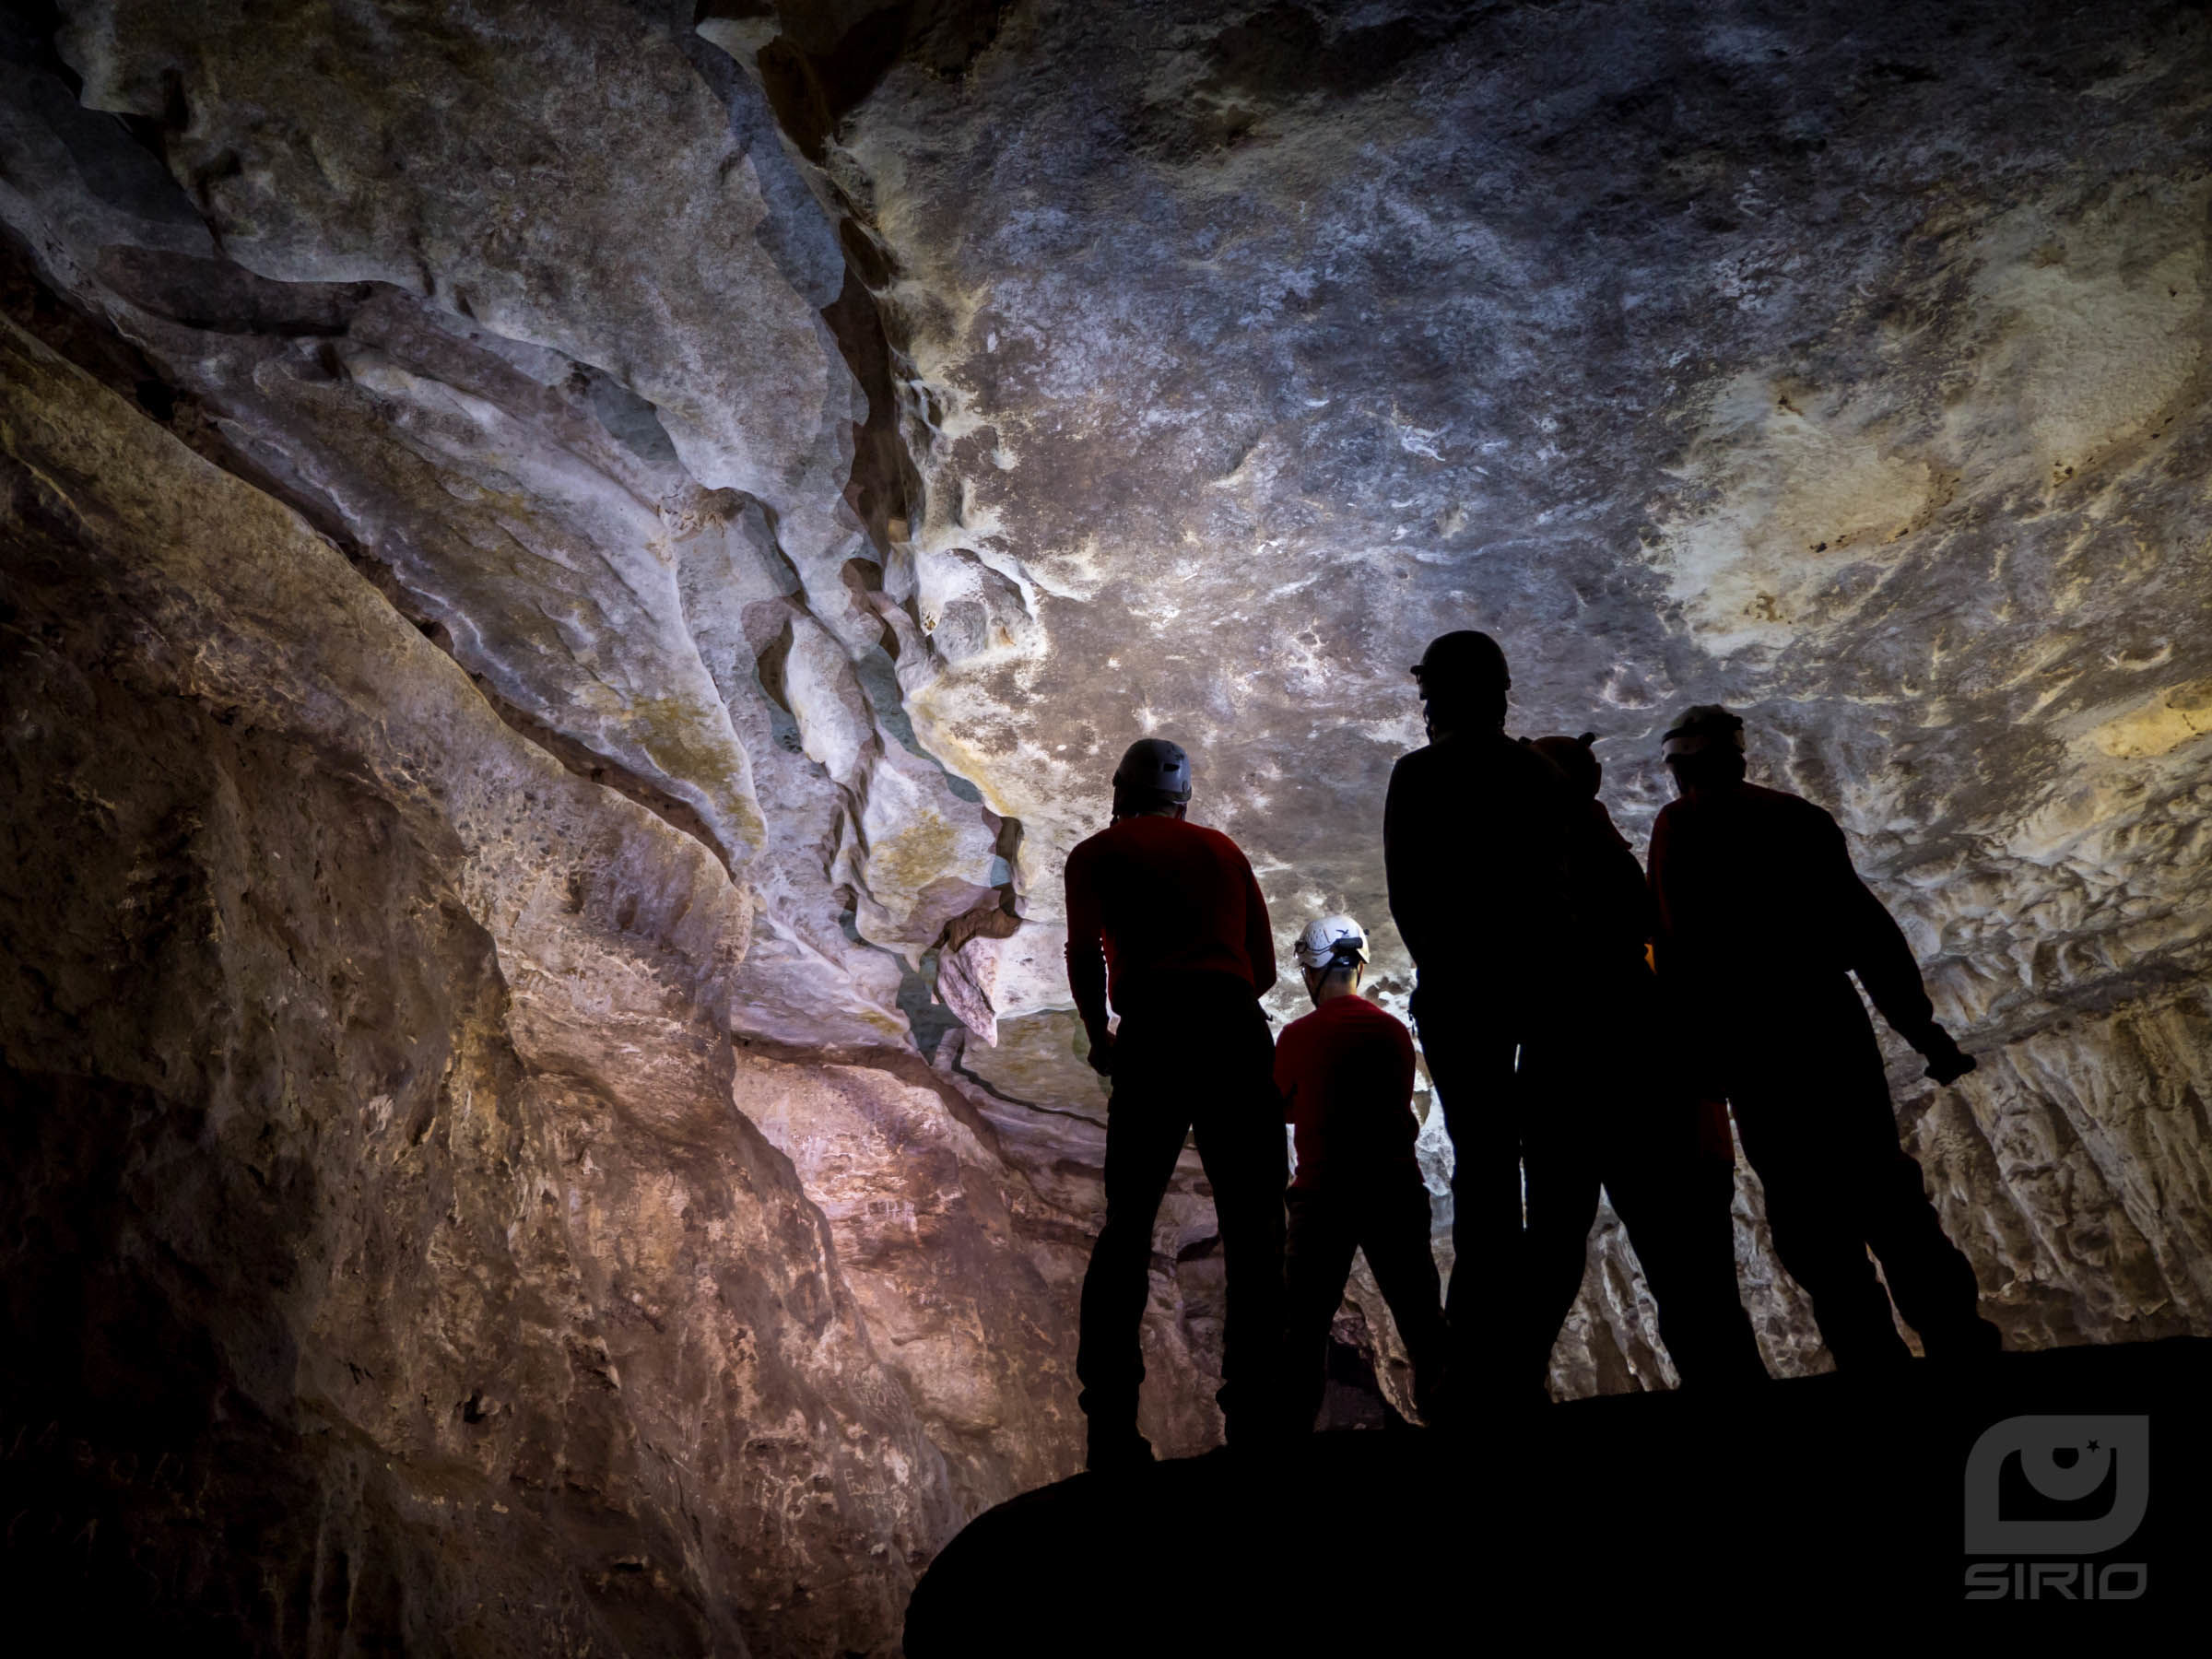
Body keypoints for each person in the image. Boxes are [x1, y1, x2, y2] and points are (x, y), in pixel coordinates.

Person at [1647, 704, 2001, 1368]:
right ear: (1739, 758)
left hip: (1754, 1038)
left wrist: (1696, 1065)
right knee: (1883, 1186)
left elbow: (1678, 950)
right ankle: (1960, 1340)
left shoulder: (1682, 826)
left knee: (1807, 1209)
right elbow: (1871, 933)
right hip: (1828, 1020)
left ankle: (1869, 1357)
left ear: (1682, 767)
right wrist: (1925, 1034)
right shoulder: (1797, 818)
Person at [1513, 733, 1768, 1394]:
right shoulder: (1608, 847)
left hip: (1569, 1065)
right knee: (1676, 1252)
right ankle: (1726, 1379)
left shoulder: (1546, 851)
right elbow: (1656, 946)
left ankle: (1509, 1392)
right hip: (1640, 1063)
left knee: (1553, 1251)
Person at [1065, 736, 1288, 1468]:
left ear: (1120, 792)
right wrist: (1219, 1000)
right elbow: (1264, 965)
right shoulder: (1224, 851)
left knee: (1128, 1223)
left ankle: (1112, 1424)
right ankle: (1257, 1411)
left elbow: (1083, 954)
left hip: (1155, 1029)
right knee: (1254, 1223)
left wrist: (1103, 1035)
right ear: (1183, 799)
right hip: (1231, 1024)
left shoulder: (1097, 853)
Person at [1382, 630, 1582, 1407]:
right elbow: (1563, 889)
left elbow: (1409, 893)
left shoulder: (1422, 773)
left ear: (1437, 698)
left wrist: (1445, 962)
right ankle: (1526, 1355)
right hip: (1549, 986)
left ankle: (1477, 1356)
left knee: (1486, 1168)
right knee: (1556, 1170)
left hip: (1464, 986)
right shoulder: (1541, 773)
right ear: (1500, 693)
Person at [1275, 913, 1450, 1428]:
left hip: (1323, 1194)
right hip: (1394, 1189)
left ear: (1312, 971)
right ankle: (1450, 1425)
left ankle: (1288, 1440)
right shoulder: (1394, 1032)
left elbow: (1281, 1105)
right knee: (1423, 1323)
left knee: (1302, 1330)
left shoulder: (1297, 1036)